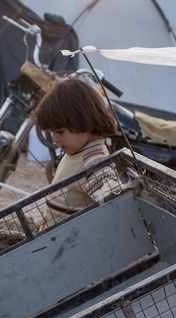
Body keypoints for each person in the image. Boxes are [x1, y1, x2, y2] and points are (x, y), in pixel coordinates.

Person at [34, 78, 121, 227]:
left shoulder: (93, 160)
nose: (54, 139)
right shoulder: (78, 151)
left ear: (83, 121)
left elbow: (113, 201)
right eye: (52, 133)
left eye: (60, 132)